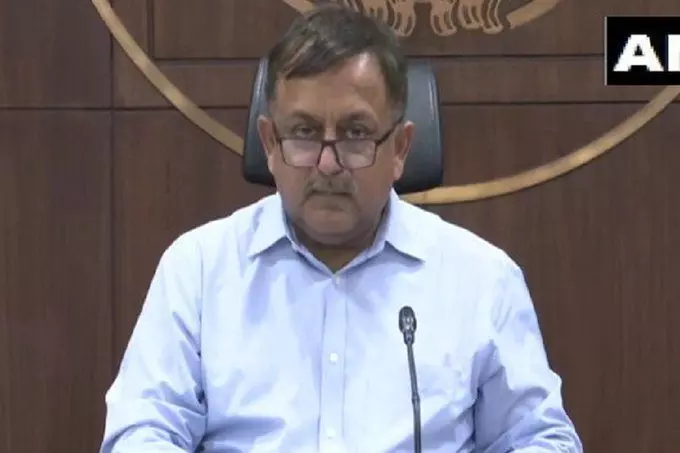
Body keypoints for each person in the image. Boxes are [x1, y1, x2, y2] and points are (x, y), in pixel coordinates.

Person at [99, 4, 583, 453]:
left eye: (355, 134)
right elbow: (142, 432)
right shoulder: (200, 270)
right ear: (269, 143)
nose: (328, 164)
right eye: (304, 133)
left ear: (400, 148)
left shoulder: (480, 279)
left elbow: (541, 438)